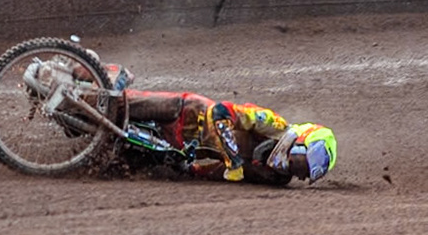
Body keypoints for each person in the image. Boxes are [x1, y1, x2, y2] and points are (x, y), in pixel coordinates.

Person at [122, 87, 336, 183]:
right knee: (118, 105)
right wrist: (233, 161)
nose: (296, 173)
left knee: (119, 159)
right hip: (186, 112)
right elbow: (221, 111)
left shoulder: (272, 176)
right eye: (299, 165)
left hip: (177, 148)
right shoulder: (272, 123)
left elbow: (218, 172)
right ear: (299, 143)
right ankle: (93, 78)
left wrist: (193, 170)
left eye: (303, 175)